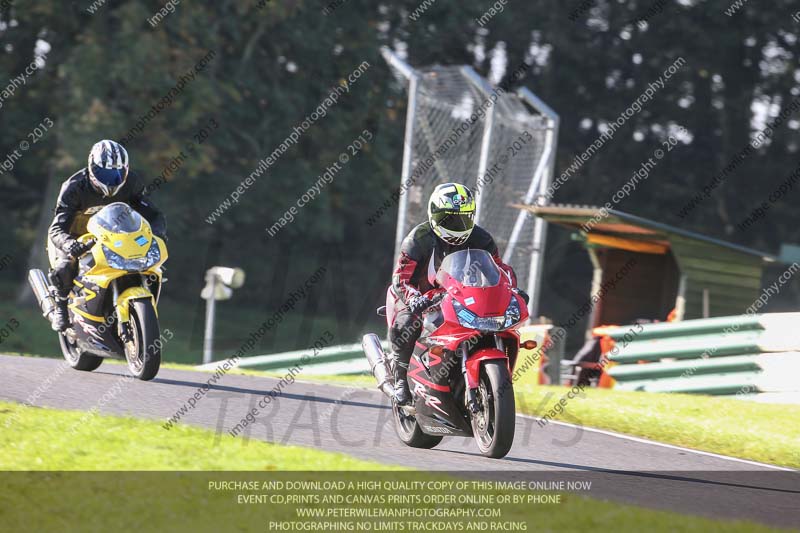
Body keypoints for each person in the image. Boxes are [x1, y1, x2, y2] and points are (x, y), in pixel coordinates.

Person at [388, 182, 524, 405]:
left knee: (493, 321)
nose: (458, 225)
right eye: (450, 219)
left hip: (460, 296)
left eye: (464, 218)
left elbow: (500, 269)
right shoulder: (417, 239)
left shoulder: (482, 239)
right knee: (406, 323)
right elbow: (401, 279)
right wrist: (414, 299)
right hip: (422, 297)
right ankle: (400, 379)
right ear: (435, 214)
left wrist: (511, 289)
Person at [47, 140, 167, 331]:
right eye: (105, 173)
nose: (112, 179)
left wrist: (158, 233)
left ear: (126, 170)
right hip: (76, 236)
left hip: (113, 235)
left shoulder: (132, 183)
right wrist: (69, 244)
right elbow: (56, 229)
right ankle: (61, 305)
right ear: (92, 167)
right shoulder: (73, 187)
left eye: (117, 173)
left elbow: (154, 214)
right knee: (64, 266)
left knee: (142, 261)